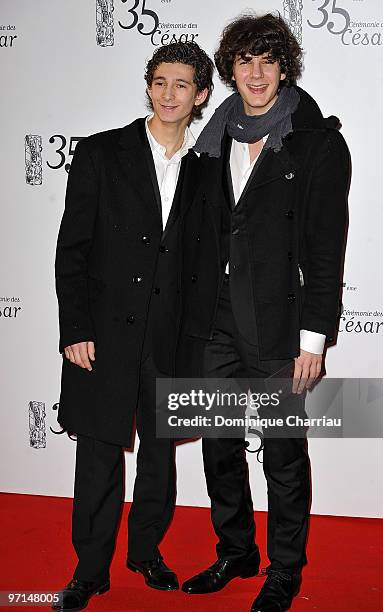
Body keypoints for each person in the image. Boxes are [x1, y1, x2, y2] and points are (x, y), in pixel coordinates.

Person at [179, 13, 350, 612]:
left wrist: (314, 339)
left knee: (282, 451)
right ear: (229, 69)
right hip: (216, 320)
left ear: (284, 67)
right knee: (218, 443)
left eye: (267, 59)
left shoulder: (318, 142)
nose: (255, 72)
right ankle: (236, 551)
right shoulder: (212, 139)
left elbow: (326, 249)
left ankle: (284, 568)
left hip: (279, 323)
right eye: (245, 60)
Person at [53, 41, 213, 611]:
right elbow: (72, 248)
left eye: (183, 85)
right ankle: (90, 570)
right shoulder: (101, 153)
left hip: (171, 337)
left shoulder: (206, 167)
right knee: (97, 453)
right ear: (149, 85)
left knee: (160, 454)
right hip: (104, 332)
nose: (170, 94)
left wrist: (201, 342)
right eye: (161, 81)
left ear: (200, 95)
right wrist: (75, 329)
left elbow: (204, 262)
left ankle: (145, 552)